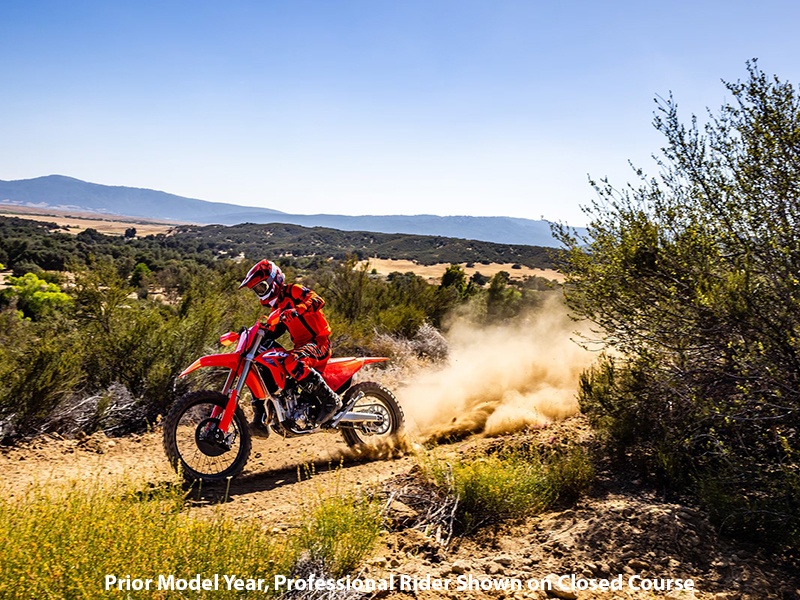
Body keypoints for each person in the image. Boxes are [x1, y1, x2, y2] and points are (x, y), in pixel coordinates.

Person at [239, 259, 341, 434]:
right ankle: (261, 417)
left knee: (293, 361)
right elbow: (276, 330)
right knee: (261, 359)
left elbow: (318, 300)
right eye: (257, 289)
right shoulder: (276, 308)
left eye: (261, 287)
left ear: (273, 281)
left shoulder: (293, 291)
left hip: (319, 343)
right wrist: (256, 334)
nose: (260, 292)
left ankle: (330, 400)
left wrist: (298, 310)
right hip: (302, 346)